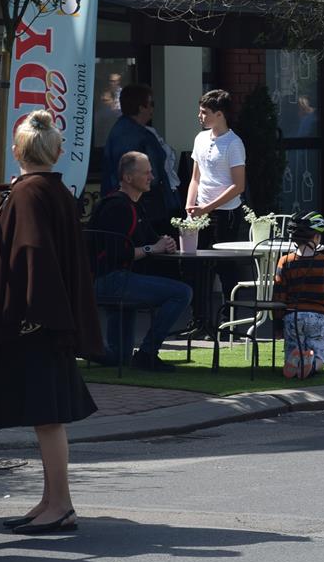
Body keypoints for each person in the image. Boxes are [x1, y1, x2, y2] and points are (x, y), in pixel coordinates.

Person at [0, 110, 101, 535]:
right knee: (47, 416)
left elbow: (32, 255)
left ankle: (60, 504)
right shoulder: (50, 191)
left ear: (16, 150)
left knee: (48, 415)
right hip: (45, 323)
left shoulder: (28, 194)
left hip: (34, 324)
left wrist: (34, 317)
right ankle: (52, 500)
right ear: (56, 152)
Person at [89, 152, 193, 371]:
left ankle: (77, 347)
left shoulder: (136, 205)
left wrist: (165, 243)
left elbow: (152, 238)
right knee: (181, 292)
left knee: (119, 357)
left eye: (150, 172)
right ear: (128, 178)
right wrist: (151, 248)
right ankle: (147, 354)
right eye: (146, 172)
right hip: (109, 280)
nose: (151, 177)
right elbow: (115, 253)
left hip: (121, 279)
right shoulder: (116, 207)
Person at [186, 89, 247, 330]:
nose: (200, 116)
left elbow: (238, 185)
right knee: (198, 265)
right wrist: (190, 204)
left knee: (224, 266)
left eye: (205, 112)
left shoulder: (233, 143)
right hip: (200, 211)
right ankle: (199, 320)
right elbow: (195, 177)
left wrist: (208, 207)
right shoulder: (200, 138)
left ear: (220, 114)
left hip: (226, 212)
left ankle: (228, 322)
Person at [102, 84, 179, 230]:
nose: (152, 109)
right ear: (141, 107)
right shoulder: (136, 136)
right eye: (151, 104)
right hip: (145, 209)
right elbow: (148, 176)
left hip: (136, 206)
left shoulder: (123, 130)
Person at [273, 211, 324, 380]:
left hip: (292, 315)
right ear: (316, 238)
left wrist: (278, 323)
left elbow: (279, 294)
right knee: (320, 358)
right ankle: (312, 363)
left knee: (294, 347)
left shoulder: (285, 261)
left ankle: (294, 360)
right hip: (319, 316)